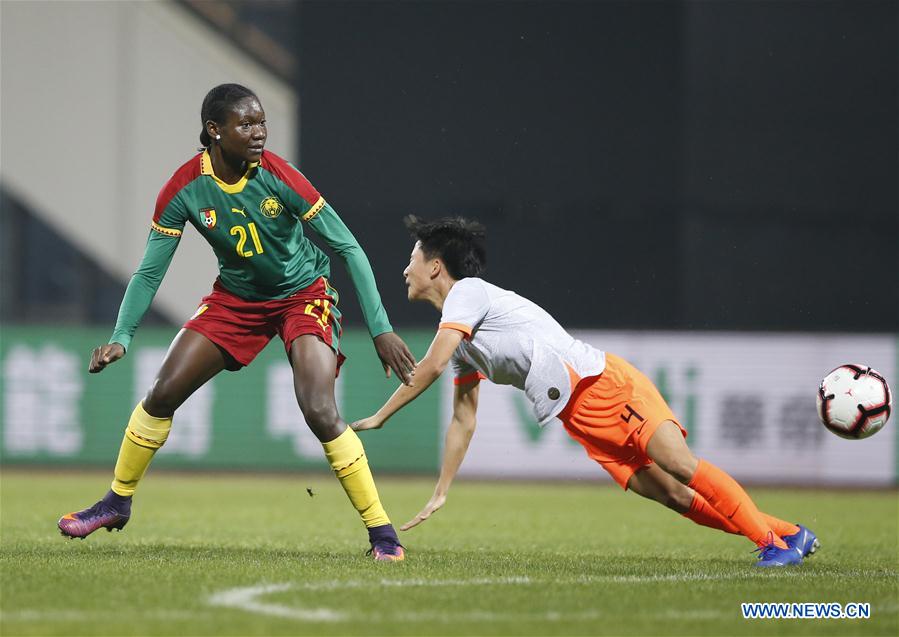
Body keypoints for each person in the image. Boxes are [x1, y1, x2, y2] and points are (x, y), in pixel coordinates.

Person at [57, 84, 414, 561]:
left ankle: (383, 535)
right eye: (246, 124)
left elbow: (347, 246)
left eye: (261, 122)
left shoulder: (279, 175)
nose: (259, 133)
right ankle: (116, 503)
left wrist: (381, 327)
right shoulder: (184, 188)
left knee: (318, 409)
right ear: (214, 131)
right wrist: (122, 336)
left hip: (303, 294)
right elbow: (149, 270)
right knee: (162, 393)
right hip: (237, 300)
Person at [351, 216, 819, 567]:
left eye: (411, 259)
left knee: (681, 465)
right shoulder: (461, 338)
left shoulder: (467, 293)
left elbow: (429, 364)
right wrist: (441, 489)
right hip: (581, 419)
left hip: (606, 387)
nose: (404, 268)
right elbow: (463, 418)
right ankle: (789, 534)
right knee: (674, 497)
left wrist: (381, 415)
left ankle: (772, 547)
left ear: (435, 266)